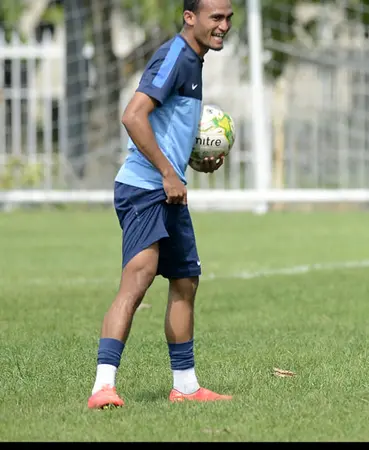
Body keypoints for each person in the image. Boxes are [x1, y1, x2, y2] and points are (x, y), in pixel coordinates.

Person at [87, 0, 235, 409]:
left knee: (186, 281)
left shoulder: (195, 60)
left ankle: (185, 387)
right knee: (139, 277)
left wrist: (191, 161)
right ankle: (102, 387)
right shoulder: (176, 55)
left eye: (228, 18)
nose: (223, 26)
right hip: (144, 187)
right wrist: (169, 173)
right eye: (215, 18)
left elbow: (165, 126)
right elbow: (133, 115)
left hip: (169, 188)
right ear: (190, 18)